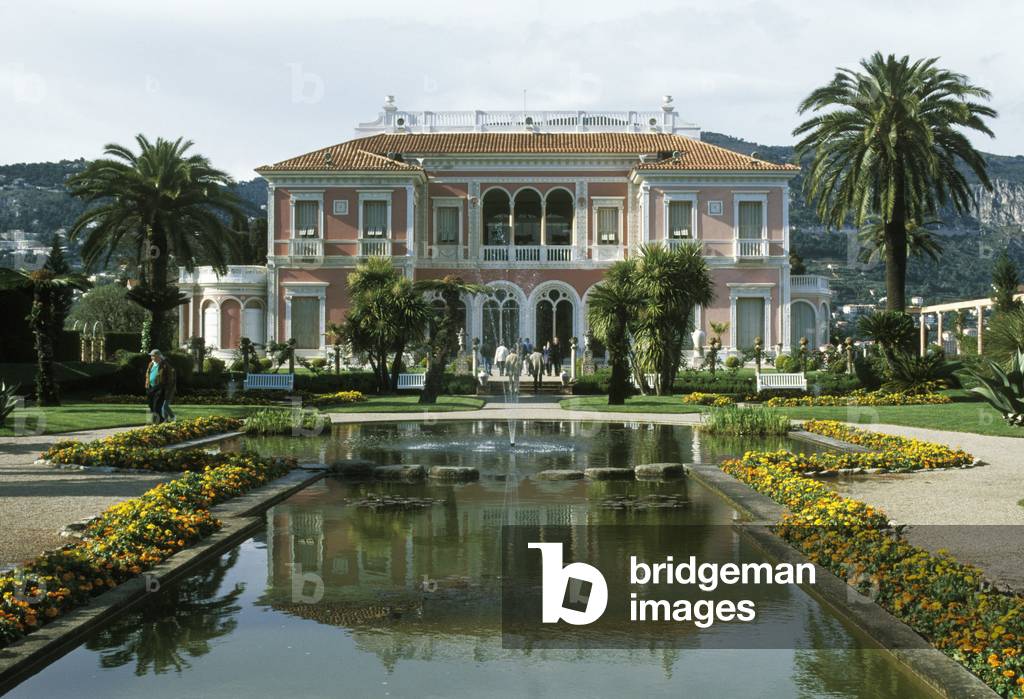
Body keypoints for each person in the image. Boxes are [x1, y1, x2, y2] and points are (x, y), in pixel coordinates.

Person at [144, 349, 166, 424]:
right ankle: (160, 420)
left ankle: (159, 421)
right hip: (150, 387)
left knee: (156, 406)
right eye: (151, 356)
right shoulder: (151, 364)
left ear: (158, 356)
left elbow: (169, 376)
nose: (151, 357)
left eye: (153, 356)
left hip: (159, 388)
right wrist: (147, 383)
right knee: (151, 406)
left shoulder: (164, 365)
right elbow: (148, 374)